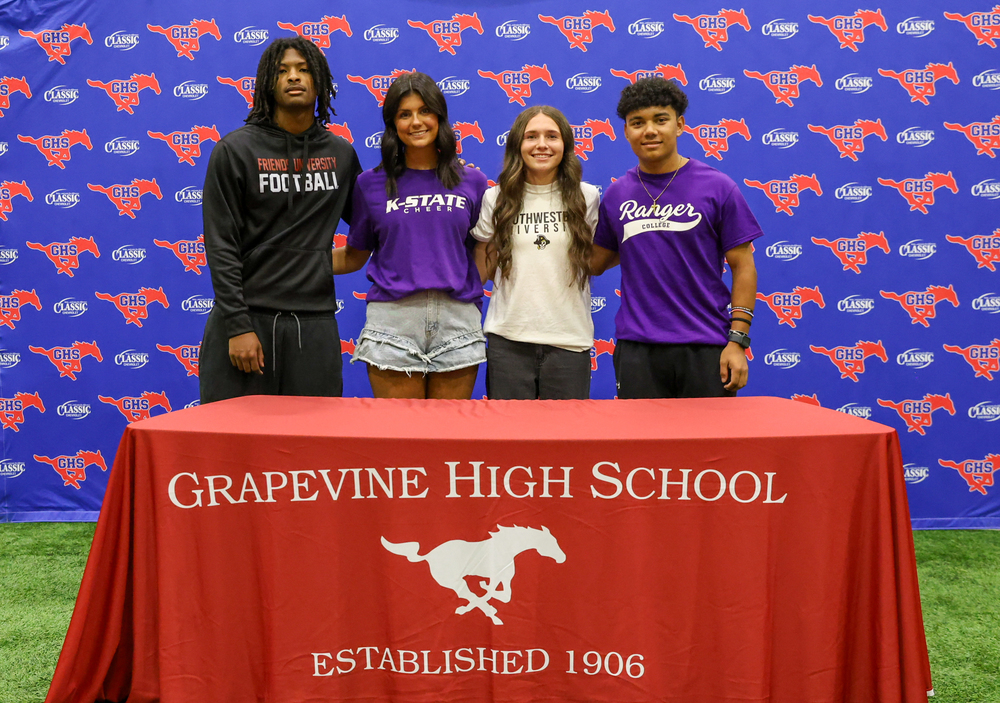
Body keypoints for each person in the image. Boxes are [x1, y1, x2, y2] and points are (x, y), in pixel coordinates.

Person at [200, 37, 362, 403]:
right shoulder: (235, 150)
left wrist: (320, 263)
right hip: (246, 321)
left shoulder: (340, 154)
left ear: (319, 81)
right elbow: (221, 245)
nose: (294, 77)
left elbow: (373, 226)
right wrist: (237, 326)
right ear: (267, 83)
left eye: (304, 70)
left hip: (314, 324)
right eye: (282, 70)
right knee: (232, 435)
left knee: (314, 437)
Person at [591, 77, 762, 398]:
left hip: (706, 345)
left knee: (711, 434)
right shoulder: (616, 195)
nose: (649, 131)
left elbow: (743, 265)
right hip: (637, 348)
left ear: (680, 125)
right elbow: (594, 262)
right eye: (637, 123)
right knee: (640, 434)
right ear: (626, 131)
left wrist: (738, 341)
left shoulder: (718, 187)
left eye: (660, 120)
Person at [333, 72, 489, 399]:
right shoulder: (369, 184)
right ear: (393, 124)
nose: (416, 122)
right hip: (393, 322)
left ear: (439, 117)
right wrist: (289, 262)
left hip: (457, 320)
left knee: (450, 429)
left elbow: (484, 247)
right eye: (405, 114)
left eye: (425, 111)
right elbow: (355, 255)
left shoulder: (473, 181)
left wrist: (468, 290)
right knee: (400, 430)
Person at [472, 106, 599, 399]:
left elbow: (600, 257)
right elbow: (482, 267)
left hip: (569, 340)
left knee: (567, 429)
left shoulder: (587, 197)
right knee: (509, 429)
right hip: (508, 340)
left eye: (551, 136)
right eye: (531, 136)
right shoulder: (496, 197)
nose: (542, 144)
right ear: (518, 144)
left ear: (565, 144)